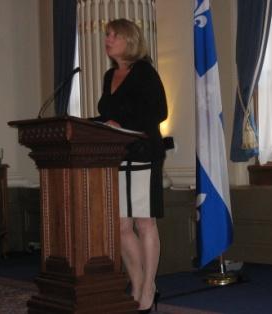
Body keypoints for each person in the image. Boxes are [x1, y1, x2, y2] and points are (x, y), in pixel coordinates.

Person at [92, 18, 167, 313]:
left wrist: (121, 124)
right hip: (116, 155)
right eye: (107, 35)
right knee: (121, 225)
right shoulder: (109, 75)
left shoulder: (145, 72)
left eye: (113, 35)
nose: (107, 39)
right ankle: (137, 283)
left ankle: (149, 288)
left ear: (129, 40)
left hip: (144, 153)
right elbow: (107, 115)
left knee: (144, 222)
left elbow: (159, 112)